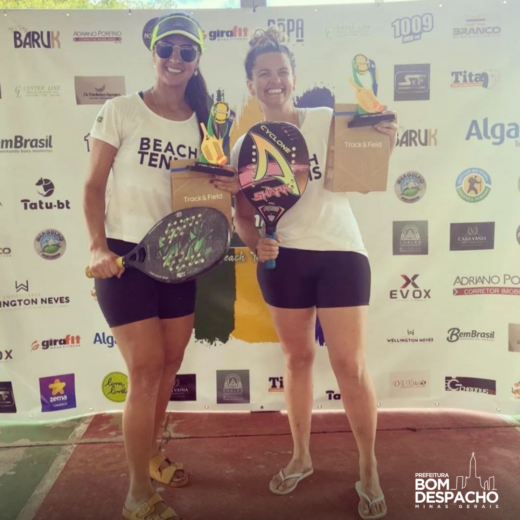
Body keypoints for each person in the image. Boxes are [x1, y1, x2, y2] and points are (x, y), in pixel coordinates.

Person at [232, 27, 398, 520]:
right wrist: (254, 242)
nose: (274, 81)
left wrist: (385, 134)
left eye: (282, 72)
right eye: (264, 74)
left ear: (294, 78)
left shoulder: (325, 120)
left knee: (351, 366)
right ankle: (301, 457)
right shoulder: (244, 146)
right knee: (298, 358)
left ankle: (368, 467)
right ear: (251, 84)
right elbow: (243, 215)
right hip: (283, 261)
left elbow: (368, 161)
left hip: (342, 255)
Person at [83, 12, 237, 520]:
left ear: (197, 60)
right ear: (153, 53)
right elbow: (93, 185)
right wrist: (96, 247)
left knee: (169, 365)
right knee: (146, 369)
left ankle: (151, 455)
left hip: (179, 258)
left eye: (186, 51)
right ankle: (136, 494)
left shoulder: (207, 123)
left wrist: (227, 185)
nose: (175, 58)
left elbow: (214, 190)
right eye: (166, 48)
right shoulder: (121, 109)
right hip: (125, 259)